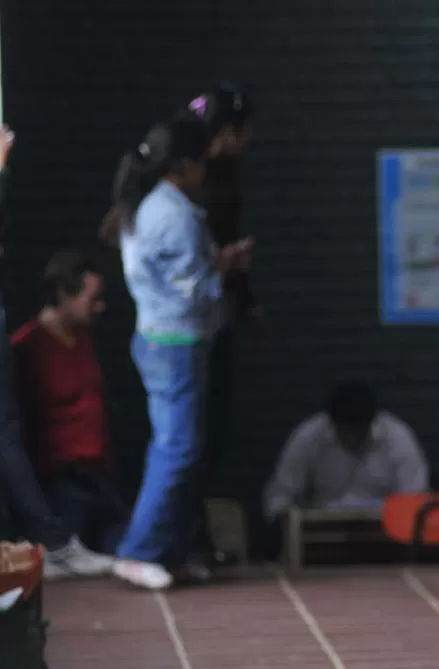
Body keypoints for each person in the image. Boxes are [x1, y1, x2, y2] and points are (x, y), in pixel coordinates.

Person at [104, 117, 252, 590]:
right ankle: (139, 550)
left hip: (158, 338)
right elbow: (194, 294)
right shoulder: (176, 215)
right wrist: (223, 270)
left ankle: (170, 550)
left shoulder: (146, 208)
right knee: (177, 449)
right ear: (186, 166)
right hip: (176, 343)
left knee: (179, 448)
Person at [0, 127, 113, 577]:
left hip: (91, 475)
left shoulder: (80, 339)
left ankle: (43, 541)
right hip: (61, 476)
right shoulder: (31, 341)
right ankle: (47, 540)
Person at [178, 84, 256, 569]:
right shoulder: (194, 190)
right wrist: (229, 269)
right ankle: (185, 542)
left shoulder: (206, 183)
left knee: (200, 438)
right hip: (190, 327)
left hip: (205, 321)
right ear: (226, 134)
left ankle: (193, 539)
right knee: (190, 440)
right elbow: (203, 269)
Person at [12, 253, 129, 563]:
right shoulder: (27, 346)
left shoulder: (83, 337)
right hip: (61, 481)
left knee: (129, 553)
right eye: (93, 299)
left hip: (99, 477)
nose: (100, 307)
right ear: (65, 294)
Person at [263, 380, 429, 519]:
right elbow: (280, 496)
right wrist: (290, 520)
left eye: (359, 431)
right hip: (321, 537)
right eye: (346, 431)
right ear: (331, 423)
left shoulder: (398, 438)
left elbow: (415, 499)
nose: (352, 439)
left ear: (372, 422)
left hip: (386, 535)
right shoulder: (309, 437)